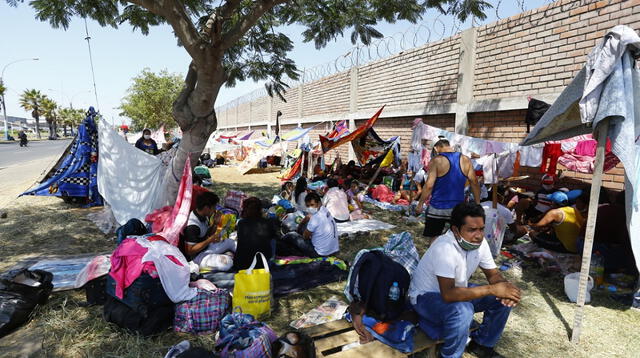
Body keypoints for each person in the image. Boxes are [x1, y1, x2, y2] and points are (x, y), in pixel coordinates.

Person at [409, 203, 520, 358]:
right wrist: (492, 289)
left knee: (501, 297)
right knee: (463, 310)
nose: (479, 235)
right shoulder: (445, 248)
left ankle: (482, 345)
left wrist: (505, 289)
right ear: (455, 230)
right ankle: (450, 355)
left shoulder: (479, 244)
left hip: (456, 291)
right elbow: (448, 294)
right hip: (425, 299)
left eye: (481, 228)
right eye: (471, 230)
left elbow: (493, 275)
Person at [416, 138, 480, 241]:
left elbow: (429, 185)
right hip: (457, 208)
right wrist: (477, 203)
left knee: (435, 239)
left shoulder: (436, 160)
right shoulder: (465, 160)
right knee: (457, 239)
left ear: (437, 148)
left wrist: (420, 204)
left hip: (437, 208)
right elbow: (474, 182)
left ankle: (435, 256)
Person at [180, 191, 237, 270]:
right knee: (226, 263)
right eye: (214, 207)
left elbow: (208, 234)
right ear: (206, 208)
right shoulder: (193, 226)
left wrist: (215, 224)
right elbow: (189, 251)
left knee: (230, 242)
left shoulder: (204, 215)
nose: (214, 211)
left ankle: (248, 255)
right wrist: (210, 240)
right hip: (197, 258)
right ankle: (226, 256)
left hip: (207, 248)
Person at [278, 193, 339, 258]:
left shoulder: (315, 218)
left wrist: (299, 231)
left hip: (319, 253)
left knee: (292, 235)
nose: (310, 208)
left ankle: (280, 241)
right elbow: (308, 216)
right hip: (333, 250)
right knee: (306, 226)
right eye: (308, 206)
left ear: (319, 203)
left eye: (312, 205)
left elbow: (305, 237)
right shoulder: (324, 210)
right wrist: (301, 224)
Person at [233, 197, 279, 271]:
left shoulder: (241, 223)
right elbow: (274, 237)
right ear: (260, 209)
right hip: (263, 264)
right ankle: (271, 260)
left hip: (242, 265)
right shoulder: (267, 222)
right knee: (273, 240)